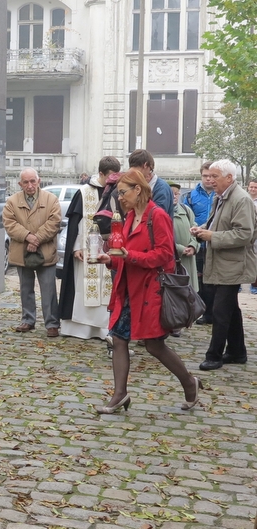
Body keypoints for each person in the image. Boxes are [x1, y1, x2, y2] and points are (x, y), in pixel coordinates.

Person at [95, 170, 201, 414]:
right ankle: (120, 394)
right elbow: (125, 253)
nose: (119, 197)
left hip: (151, 292)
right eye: (118, 192)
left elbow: (165, 255)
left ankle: (189, 382)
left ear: (138, 190)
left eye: (123, 192)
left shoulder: (158, 215)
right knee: (119, 339)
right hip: (129, 290)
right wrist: (109, 260)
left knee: (154, 346)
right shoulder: (130, 216)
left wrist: (129, 256)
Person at [190, 159, 256, 370]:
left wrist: (212, 236)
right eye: (208, 176)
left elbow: (245, 234)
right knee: (230, 309)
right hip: (222, 262)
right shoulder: (221, 197)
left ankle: (214, 355)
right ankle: (237, 352)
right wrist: (201, 230)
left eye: (215, 176)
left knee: (220, 310)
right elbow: (216, 224)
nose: (211, 180)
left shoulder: (241, 199)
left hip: (233, 264)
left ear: (229, 178)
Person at [58, 156, 121, 340]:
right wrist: (76, 246)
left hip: (110, 251)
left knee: (108, 290)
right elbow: (76, 222)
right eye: (109, 176)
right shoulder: (84, 192)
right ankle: (79, 328)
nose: (113, 181)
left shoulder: (120, 191)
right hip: (86, 251)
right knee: (83, 287)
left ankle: (104, 329)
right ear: (101, 173)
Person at [2, 168, 62, 337]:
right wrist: (28, 237)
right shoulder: (12, 201)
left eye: (32, 181)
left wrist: (37, 239)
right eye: (26, 182)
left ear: (39, 181)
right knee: (25, 287)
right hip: (22, 251)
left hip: (46, 251)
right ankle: (28, 320)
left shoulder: (51, 199)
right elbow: (9, 224)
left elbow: (54, 222)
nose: (30, 185)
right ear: (20, 184)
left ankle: (52, 323)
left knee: (49, 288)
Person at [183, 162, 216, 323]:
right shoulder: (190, 196)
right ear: (201, 176)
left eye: (211, 176)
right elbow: (188, 221)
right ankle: (194, 311)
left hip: (215, 245)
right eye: (205, 176)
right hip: (197, 245)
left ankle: (210, 313)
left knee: (211, 281)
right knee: (196, 280)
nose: (208, 179)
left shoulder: (220, 194)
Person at [168, 181, 198, 293]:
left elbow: (195, 228)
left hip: (188, 261)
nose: (174, 196)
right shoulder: (162, 212)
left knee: (190, 294)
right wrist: (180, 249)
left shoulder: (186, 210)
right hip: (173, 261)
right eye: (171, 193)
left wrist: (193, 246)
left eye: (176, 193)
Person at [128, 149, 174, 218]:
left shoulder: (161, 188)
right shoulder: (139, 185)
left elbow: (158, 217)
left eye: (136, 171)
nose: (134, 175)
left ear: (145, 165)